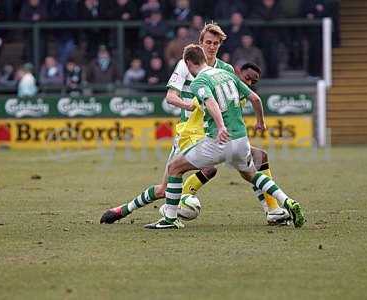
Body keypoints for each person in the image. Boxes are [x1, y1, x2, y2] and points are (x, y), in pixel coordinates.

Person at [100, 23, 290, 226]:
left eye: (216, 43)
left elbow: (235, 101)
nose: (211, 46)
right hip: (188, 133)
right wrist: (188, 105)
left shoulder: (224, 69)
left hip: (215, 133)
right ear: (200, 43)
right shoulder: (186, 64)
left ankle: (273, 210)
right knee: (170, 186)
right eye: (208, 42)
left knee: (259, 158)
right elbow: (170, 97)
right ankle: (129, 209)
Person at [144, 44, 305, 229]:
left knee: (174, 167)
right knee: (252, 174)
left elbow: (210, 102)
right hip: (242, 140)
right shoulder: (227, 74)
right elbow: (256, 99)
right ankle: (287, 201)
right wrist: (260, 122)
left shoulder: (199, 81)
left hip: (219, 141)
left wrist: (220, 126)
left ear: (188, 63)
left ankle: (170, 219)